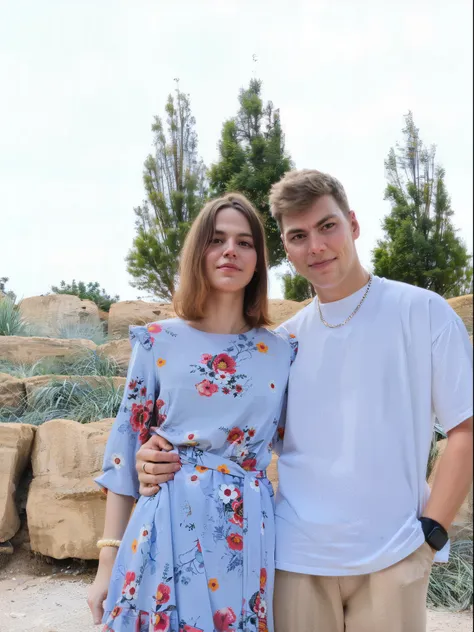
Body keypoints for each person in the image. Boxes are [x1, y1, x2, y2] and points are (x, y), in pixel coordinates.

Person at [136, 170, 473, 632]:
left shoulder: (423, 312)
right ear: (286, 251)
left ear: (352, 224)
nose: (315, 246)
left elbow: (465, 429)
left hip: (395, 555)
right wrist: (154, 454)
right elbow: (225, 433)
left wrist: (429, 537)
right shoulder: (283, 345)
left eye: (327, 226)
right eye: (298, 236)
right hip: (294, 560)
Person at [87, 193, 297, 632]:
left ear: (259, 260)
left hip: (246, 530)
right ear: (198, 251)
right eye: (217, 239)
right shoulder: (157, 342)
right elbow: (126, 448)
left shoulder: (282, 353)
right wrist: (107, 560)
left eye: (245, 242)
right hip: (166, 519)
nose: (230, 251)